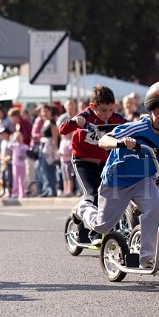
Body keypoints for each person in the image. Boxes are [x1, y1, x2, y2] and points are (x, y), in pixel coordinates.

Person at [73, 81, 159, 267]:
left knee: (156, 207)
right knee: (102, 226)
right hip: (117, 182)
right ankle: (83, 207)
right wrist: (121, 142)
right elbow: (104, 140)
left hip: (144, 180)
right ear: (158, 112)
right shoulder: (137, 129)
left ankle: (147, 258)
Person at [59, 84, 126, 226]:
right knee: (92, 193)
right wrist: (76, 122)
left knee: (108, 195)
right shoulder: (86, 115)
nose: (107, 114)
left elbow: (131, 127)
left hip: (103, 163)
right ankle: (91, 229)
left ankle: (103, 224)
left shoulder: (115, 118)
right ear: (93, 106)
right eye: (103, 110)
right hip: (82, 161)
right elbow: (62, 130)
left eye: (110, 110)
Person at [8, 130, 29, 198]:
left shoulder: (25, 146)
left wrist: (24, 156)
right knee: (15, 179)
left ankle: (22, 193)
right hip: (15, 164)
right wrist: (13, 138)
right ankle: (15, 193)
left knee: (22, 180)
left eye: (20, 137)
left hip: (22, 164)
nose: (18, 138)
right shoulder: (14, 145)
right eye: (17, 137)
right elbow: (8, 146)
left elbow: (27, 154)